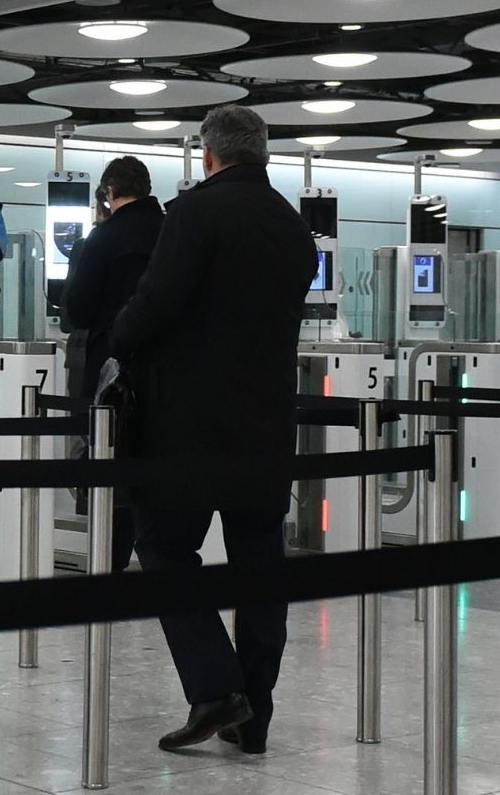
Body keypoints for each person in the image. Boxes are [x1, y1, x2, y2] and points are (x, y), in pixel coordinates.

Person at [110, 105, 315, 757]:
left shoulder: (195, 212)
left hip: (189, 426)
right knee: (260, 565)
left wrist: (120, 333)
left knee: (164, 549)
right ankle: (252, 717)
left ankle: (216, 685)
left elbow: (157, 302)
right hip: (266, 425)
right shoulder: (292, 225)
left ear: (209, 154)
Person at [60, 155, 164, 572]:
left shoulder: (101, 240)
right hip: (165, 372)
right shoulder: (171, 232)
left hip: (111, 373)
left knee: (110, 462)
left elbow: (79, 311)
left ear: (109, 193)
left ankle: (110, 563)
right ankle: (157, 556)